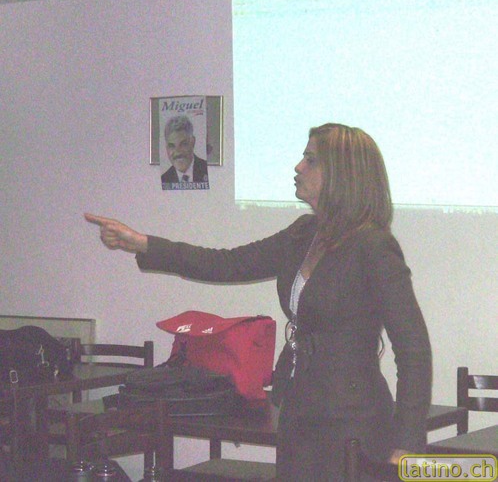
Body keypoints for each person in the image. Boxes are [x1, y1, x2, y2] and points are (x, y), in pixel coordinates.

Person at [85, 122, 432, 481]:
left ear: (341, 173)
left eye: (310, 160)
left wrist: (407, 444)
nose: (298, 167)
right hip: (298, 408)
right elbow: (225, 263)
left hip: (352, 422)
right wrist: (144, 244)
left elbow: (414, 350)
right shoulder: (304, 233)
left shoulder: (373, 246)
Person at [161, 115, 209, 189]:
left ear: (193, 142)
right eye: (172, 146)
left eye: (183, 144)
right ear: (166, 148)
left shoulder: (207, 170)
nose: (177, 152)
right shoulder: (164, 179)